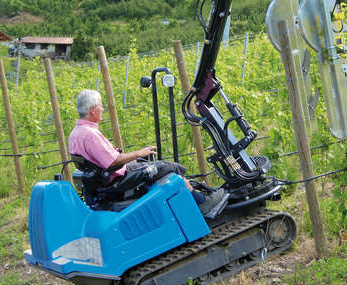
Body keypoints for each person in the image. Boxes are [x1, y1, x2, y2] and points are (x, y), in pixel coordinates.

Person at [68, 89, 227, 216]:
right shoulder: (90, 135)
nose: (103, 109)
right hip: (116, 179)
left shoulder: (76, 133)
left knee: (149, 163)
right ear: (93, 110)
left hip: (104, 181)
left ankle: (196, 197)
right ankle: (202, 204)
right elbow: (112, 161)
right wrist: (139, 153)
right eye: (101, 106)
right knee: (170, 167)